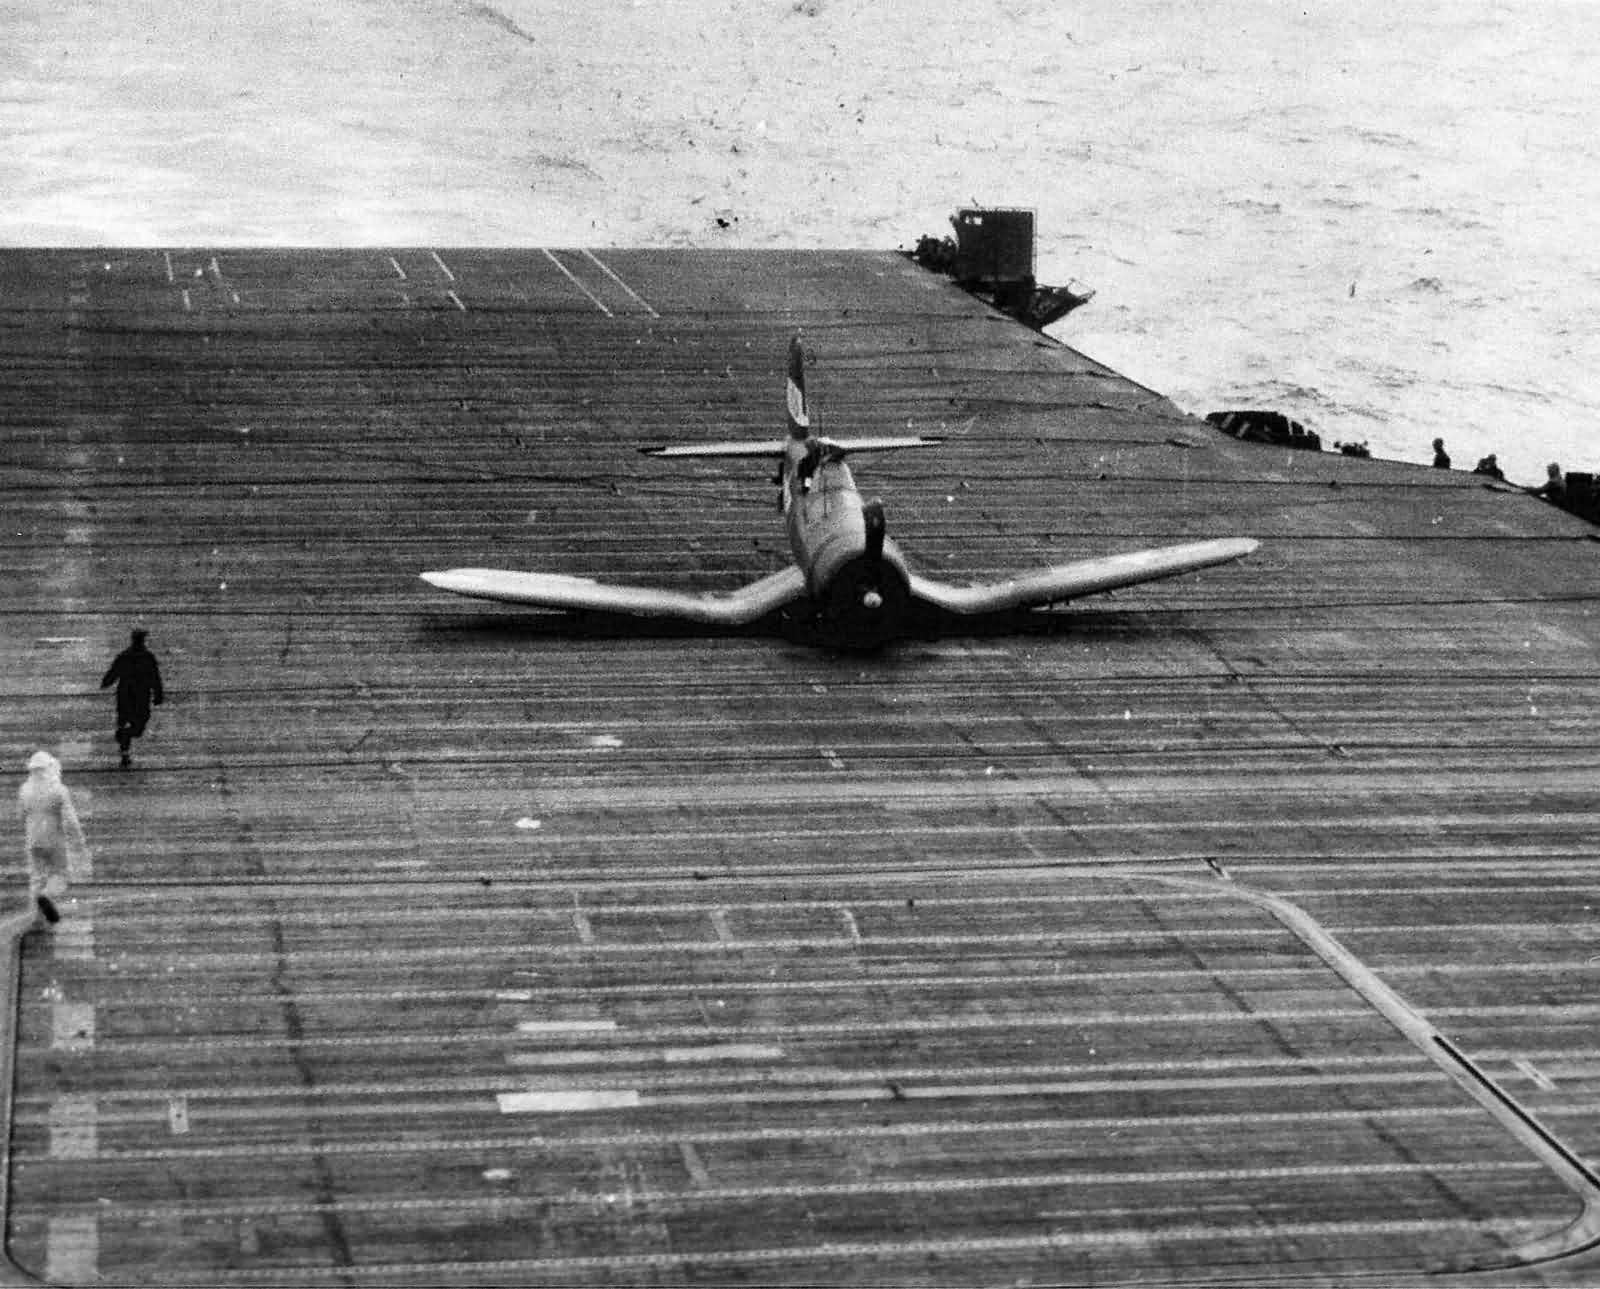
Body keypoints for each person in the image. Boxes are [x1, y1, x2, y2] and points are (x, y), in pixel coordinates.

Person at [17, 751, 87, 926]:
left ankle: (36, 917)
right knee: (60, 874)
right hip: (54, 838)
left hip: (33, 839)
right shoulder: (58, 790)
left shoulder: (25, 790)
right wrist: (79, 840)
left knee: (36, 876)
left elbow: (20, 815)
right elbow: (71, 819)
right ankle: (47, 895)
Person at [100, 628, 164, 769]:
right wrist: (158, 695)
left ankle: (124, 748)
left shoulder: (125, 656)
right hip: (141, 695)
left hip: (125, 695)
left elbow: (113, 672)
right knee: (139, 725)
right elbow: (155, 677)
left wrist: (106, 682)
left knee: (125, 722)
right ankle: (125, 749)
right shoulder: (148, 657)